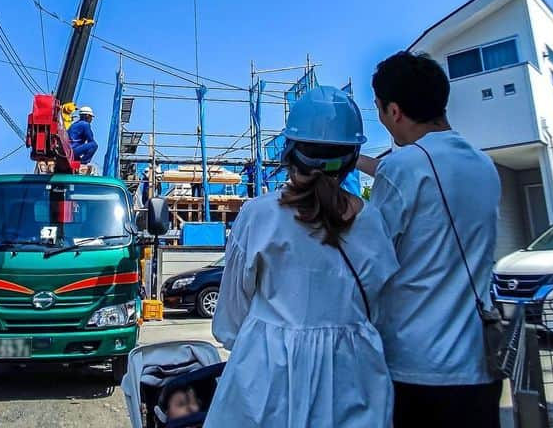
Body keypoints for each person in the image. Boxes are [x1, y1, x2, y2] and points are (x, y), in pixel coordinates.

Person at [206, 86, 399, 427]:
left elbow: (230, 320)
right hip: (353, 375)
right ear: (352, 157)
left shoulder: (259, 215)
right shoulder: (371, 220)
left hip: (265, 376)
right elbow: (381, 310)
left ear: (290, 152)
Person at [358, 51, 502, 428]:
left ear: (394, 111)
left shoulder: (403, 167)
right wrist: (359, 160)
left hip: (418, 368)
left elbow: (371, 261)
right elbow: (419, 177)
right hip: (479, 364)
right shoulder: (482, 164)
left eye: (378, 108)